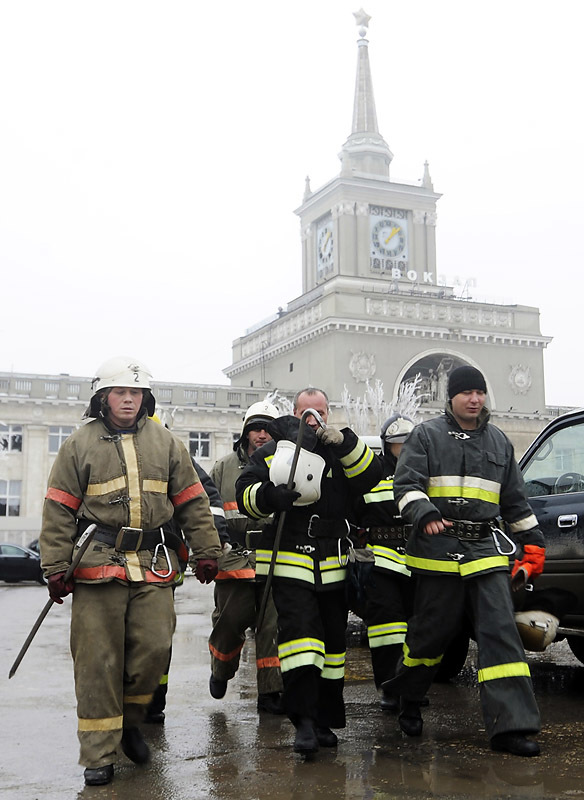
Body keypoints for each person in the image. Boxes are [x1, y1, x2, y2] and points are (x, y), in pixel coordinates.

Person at [39, 357, 222, 787]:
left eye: (135, 393)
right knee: (97, 661)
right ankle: (98, 753)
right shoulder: (77, 445)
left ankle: (129, 722)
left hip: (153, 563)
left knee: (156, 647)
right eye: (120, 392)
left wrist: (207, 550)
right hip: (97, 562)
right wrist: (56, 565)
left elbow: (193, 501)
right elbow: (58, 508)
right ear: (103, 397)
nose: (128, 400)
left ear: (145, 398)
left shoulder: (167, 442)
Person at [383, 365, 545, 756]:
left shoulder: (499, 442)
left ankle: (511, 728)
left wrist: (533, 545)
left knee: (500, 632)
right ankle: (408, 695)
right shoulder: (426, 436)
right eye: (467, 393)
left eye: (479, 392)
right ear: (451, 397)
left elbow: (515, 501)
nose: (474, 399)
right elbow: (405, 485)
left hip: (486, 552)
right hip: (437, 553)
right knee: (430, 635)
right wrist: (424, 512)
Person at [235, 387, 383, 755]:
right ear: (296, 412)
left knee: (333, 648)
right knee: (301, 640)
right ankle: (302, 721)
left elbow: (371, 476)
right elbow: (244, 493)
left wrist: (347, 443)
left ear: (328, 414)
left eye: (320, 412)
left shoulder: (341, 452)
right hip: (290, 562)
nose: (314, 419)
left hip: (334, 564)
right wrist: (269, 496)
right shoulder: (275, 450)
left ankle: (323, 719)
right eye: (307, 412)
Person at [208, 401, 284, 714]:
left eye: (267, 429)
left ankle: (270, 691)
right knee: (229, 623)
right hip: (234, 560)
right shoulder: (223, 467)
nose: (261, 434)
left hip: (275, 558)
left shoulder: (286, 466)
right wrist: (208, 552)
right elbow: (208, 513)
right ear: (245, 433)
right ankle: (221, 669)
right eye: (255, 428)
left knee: (272, 628)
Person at [146, 455, 230, 724]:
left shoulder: (168, 449)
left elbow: (203, 499)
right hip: (107, 560)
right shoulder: (94, 445)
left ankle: (152, 701)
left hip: (160, 559)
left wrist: (211, 544)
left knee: (157, 635)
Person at [349, 414, 417, 711]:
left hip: (419, 560)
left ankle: (412, 686)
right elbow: (352, 514)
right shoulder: (371, 474)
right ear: (387, 445)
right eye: (398, 443)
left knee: (418, 627)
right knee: (386, 627)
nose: (404, 448)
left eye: (409, 442)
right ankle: (389, 687)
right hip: (381, 561)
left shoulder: (426, 472)